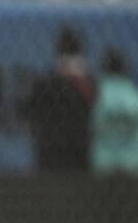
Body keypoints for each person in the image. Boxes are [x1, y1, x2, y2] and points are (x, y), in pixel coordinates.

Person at [21, 26, 94, 172]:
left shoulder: (45, 83)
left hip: (50, 151)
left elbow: (30, 113)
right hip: (78, 151)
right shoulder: (89, 84)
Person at [90, 48, 138, 176]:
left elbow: (87, 128)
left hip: (101, 164)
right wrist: (135, 151)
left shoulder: (93, 97)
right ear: (126, 70)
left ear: (102, 69)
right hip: (133, 164)